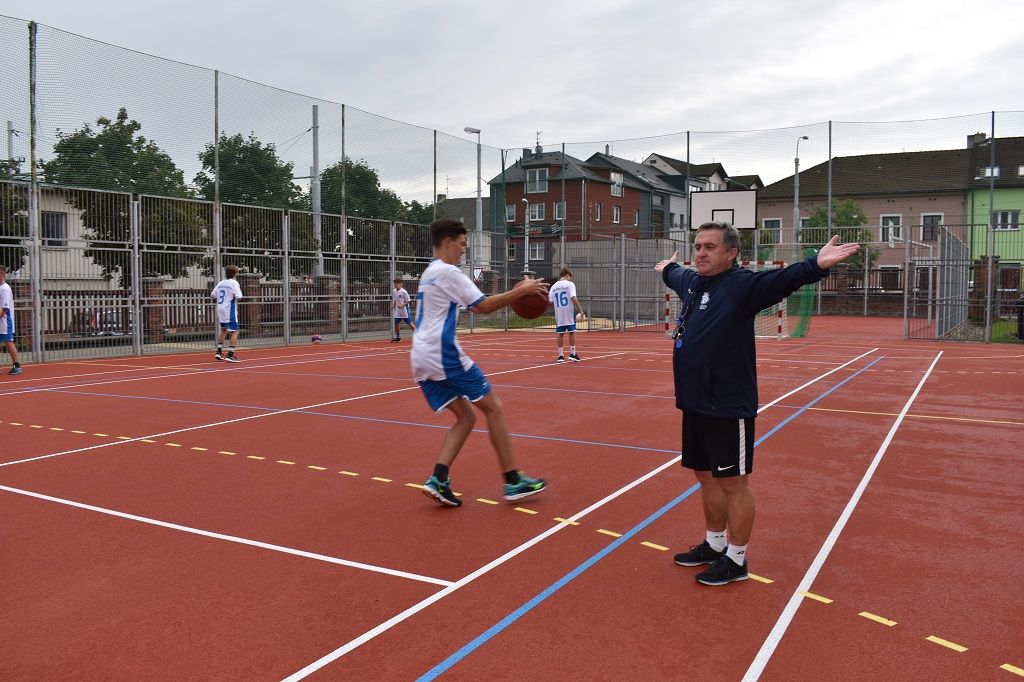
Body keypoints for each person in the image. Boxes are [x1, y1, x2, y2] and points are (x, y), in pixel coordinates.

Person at [655, 222, 859, 586]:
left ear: (731, 253)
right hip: (694, 403)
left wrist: (817, 263)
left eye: (711, 247)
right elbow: (677, 274)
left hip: (727, 405)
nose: (701, 252)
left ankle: (737, 559)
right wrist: (666, 269)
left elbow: (784, 280)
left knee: (733, 482)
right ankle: (714, 544)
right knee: (705, 477)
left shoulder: (742, 286)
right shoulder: (693, 283)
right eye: (698, 245)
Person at [414, 218, 550, 507]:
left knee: (467, 416)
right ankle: (513, 481)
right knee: (494, 408)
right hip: (442, 353)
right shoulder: (448, 272)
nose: (464, 250)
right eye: (462, 244)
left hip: (421, 356)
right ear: (448, 242)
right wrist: (522, 291)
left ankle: (438, 478)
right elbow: (483, 306)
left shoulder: (429, 272)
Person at [548, 268, 586, 363]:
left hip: (559, 313)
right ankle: (573, 354)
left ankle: (560, 356)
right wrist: (580, 310)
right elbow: (573, 297)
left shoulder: (553, 287)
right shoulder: (570, 284)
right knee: (572, 332)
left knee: (560, 333)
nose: (570, 279)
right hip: (568, 312)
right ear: (567, 274)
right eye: (570, 277)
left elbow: (551, 301)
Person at [211, 264, 244, 363]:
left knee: (224, 329)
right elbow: (239, 296)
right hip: (229, 309)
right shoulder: (234, 283)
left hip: (220, 308)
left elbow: (213, 294)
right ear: (235, 273)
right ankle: (230, 354)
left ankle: (219, 351)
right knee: (235, 331)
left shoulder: (221, 283)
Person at [0, 265, 22, 375]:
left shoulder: (5, 289)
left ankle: (16, 365)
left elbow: (4, 309)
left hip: (5, 321)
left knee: (8, 342)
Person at [391, 277, 416, 342]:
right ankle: (398, 337)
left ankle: (418, 335)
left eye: (397, 284)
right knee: (396, 323)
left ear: (401, 284)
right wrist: (393, 306)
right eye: (395, 284)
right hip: (398, 311)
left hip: (404, 310)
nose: (396, 285)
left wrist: (402, 305)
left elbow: (408, 300)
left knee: (410, 323)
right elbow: (395, 299)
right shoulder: (394, 291)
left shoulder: (404, 292)